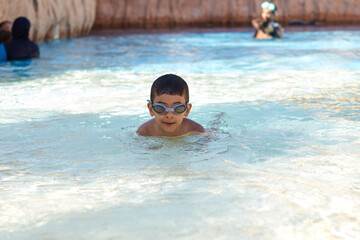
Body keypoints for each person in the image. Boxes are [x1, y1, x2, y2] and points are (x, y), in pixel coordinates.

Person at [137, 74, 205, 137]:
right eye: (160, 108)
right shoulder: (144, 132)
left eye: (178, 108)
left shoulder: (196, 131)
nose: (169, 115)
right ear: (151, 109)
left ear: (187, 110)